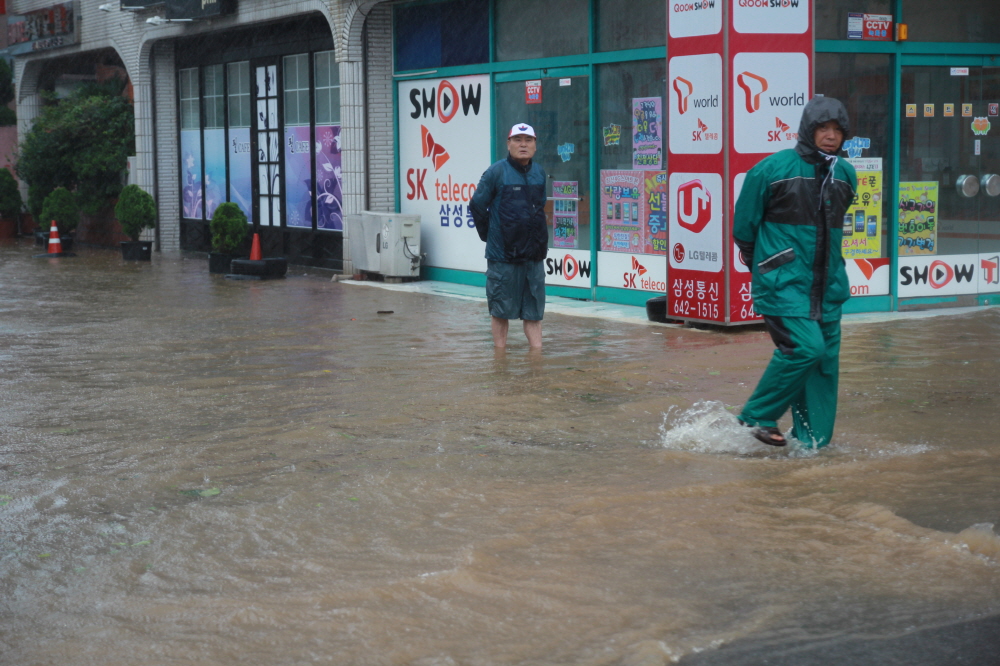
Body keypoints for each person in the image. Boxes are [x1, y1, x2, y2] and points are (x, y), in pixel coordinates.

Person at [733, 97, 857, 448]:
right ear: (808, 130)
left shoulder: (845, 174)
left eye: (837, 130)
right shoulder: (771, 170)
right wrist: (771, 264)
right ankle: (756, 416)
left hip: (829, 287)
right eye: (823, 128)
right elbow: (744, 227)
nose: (831, 136)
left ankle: (812, 446)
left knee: (823, 366)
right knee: (805, 349)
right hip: (784, 285)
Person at [470, 123, 548, 349]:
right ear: (508, 143)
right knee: (500, 310)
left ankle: (536, 357)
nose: (523, 144)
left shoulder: (539, 173)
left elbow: (539, 207)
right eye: (517, 140)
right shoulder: (496, 172)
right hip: (503, 257)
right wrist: (490, 236)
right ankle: (500, 358)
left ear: (535, 144)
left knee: (534, 312)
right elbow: (477, 206)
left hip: (533, 256)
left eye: (528, 140)